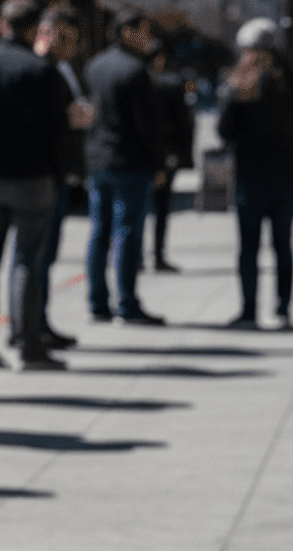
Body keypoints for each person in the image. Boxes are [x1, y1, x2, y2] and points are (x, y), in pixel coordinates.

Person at [0, 0, 71, 371]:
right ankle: (28, 346)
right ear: (33, 28)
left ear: (2, 25)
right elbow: (57, 132)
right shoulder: (42, 71)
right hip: (32, 176)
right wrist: (60, 176)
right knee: (26, 260)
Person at [216, 18, 293, 330]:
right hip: (283, 174)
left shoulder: (248, 82)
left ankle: (250, 310)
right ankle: (280, 309)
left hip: (254, 176)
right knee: (281, 245)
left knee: (251, 247)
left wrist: (236, 96)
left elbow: (225, 132)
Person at [83, 8, 172, 326]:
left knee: (99, 232)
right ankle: (127, 303)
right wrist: (159, 163)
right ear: (127, 32)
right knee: (127, 232)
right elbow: (147, 124)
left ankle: (97, 302)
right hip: (130, 162)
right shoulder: (136, 70)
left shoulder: (95, 65)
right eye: (144, 31)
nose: (149, 39)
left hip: (98, 159)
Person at [27, 3, 92, 353]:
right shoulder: (38, 68)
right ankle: (28, 328)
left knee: (46, 257)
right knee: (33, 257)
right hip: (40, 176)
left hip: (59, 175)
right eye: (65, 38)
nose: (71, 46)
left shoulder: (65, 69)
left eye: (75, 40)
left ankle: (38, 321)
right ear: (46, 33)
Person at [147, 43, 194, 272]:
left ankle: (133, 257)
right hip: (166, 156)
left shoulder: (133, 81)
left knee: (134, 210)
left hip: (138, 157)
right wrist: (182, 156)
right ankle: (157, 255)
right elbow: (183, 124)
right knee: (161, 208)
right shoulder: (171, 84)